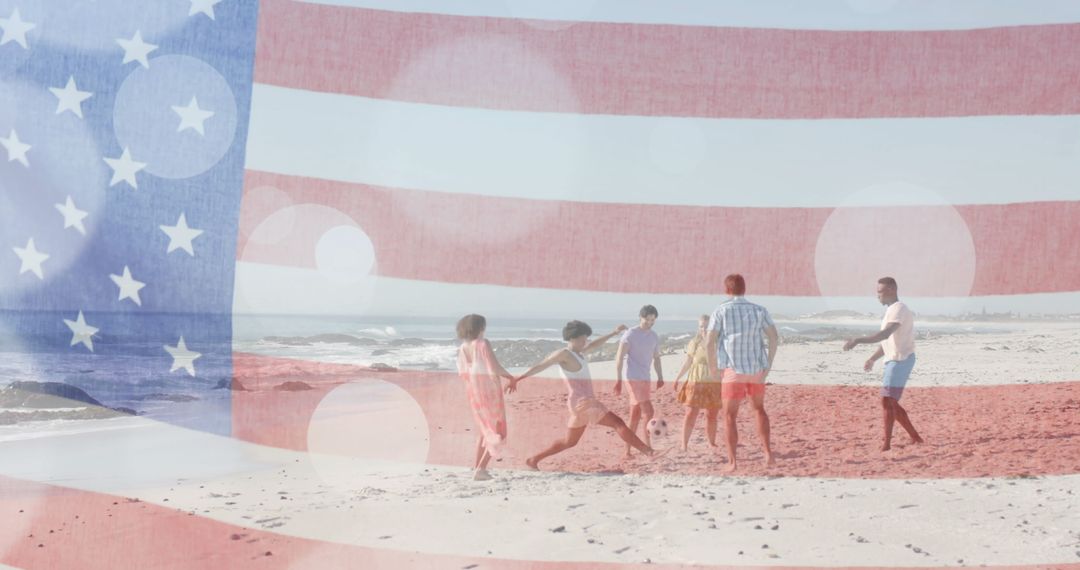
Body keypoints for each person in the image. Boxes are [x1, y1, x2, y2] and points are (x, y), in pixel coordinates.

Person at [512, 320, 655, 470]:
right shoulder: (564, 354)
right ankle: (649, 452)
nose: (585, 341)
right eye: (582, 338)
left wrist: (613, 333)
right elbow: (542, 365)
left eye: (586, 338)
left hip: (579, 403)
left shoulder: (578, 353)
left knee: (570, 442)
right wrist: (518, 378)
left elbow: (595, 345)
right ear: (572, 338)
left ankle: (533, 460)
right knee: (618, 423)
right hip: (583, 402)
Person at [843, 277, 925, 451]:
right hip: (893, 360)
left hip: (901, 360)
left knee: (886, 401)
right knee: (890, 402)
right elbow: (887, 342)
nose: (877, 296)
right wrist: (873, 358)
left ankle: (887, 444)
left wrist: (857, 340)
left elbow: (884, 334)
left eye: (879, 292)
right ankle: (915, 437)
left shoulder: (899, 309)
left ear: (891, 291)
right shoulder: (891, 311)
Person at [707, 274, 779, 472]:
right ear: (744, 289)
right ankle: (767, 453)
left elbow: (709, 341)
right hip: (756, 369)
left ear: (727, 290)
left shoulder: (720, 311)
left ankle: (733, 462)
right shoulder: (759, 310)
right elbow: (774, 337)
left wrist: (713, 368)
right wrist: (768, 364)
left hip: (733, 371)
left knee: (729, 416)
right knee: (759, 409)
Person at [455, 314, 516, 481]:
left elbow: (464, 373)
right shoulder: (482, 343)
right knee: (497, 432)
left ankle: (477, 468)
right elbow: (494, 367)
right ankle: (481, 469)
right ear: (480, 327)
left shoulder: (463, 347)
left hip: (474, 392)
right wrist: (511, 377)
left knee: (484, 431)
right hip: (489, 390)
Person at [614, 305, 664, 457]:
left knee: (635, 415)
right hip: (633, 377)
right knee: (649, 411)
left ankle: (627, 450)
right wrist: (618, 380)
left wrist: (660, 376)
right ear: (640, 317)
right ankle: (648, 448)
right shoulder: (630, 334)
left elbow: (656, 358)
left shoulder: (654, 336)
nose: (649, 322)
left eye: (652, 320)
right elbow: (619, 357)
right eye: (647, 319)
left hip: (645, 378)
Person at [672, 315, 722, 451]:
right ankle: (684, 444)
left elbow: (725, 364)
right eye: (701, 326)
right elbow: (688, 362)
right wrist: (677, 378)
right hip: (696, 382)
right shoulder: (694, 343)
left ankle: (711, 442)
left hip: (714, 384)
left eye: (707, 326)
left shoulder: (719, 344)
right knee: (691, 413)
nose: (704, 329)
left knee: (711, 415)